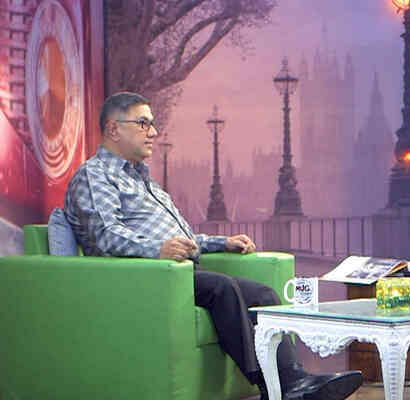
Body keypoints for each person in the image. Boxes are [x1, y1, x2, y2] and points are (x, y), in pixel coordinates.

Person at [63, 92, 363, 400]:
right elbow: (105, 235)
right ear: (113, 129)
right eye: (143, 123)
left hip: (176, 272)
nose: (153, 132)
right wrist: (158, 249)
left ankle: (293, 379)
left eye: (152, 124)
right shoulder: (94, 175)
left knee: (262, 295)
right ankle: (277, 387)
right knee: (222, 288)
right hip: (144, 277)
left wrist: (222, 242)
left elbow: (181, 238)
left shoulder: (143, 179)